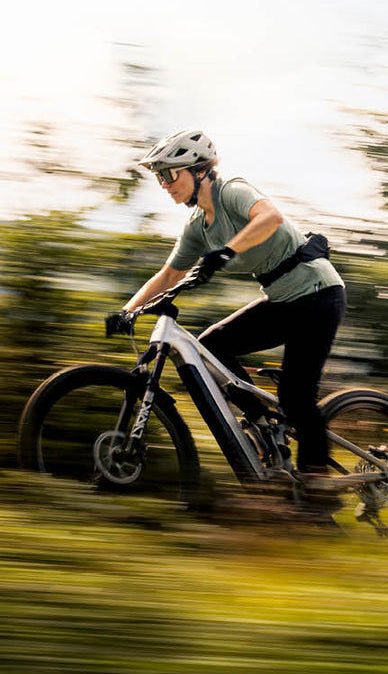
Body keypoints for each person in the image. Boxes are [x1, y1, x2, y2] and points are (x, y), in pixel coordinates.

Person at [114, 129, 346, 484]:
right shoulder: (197, 227)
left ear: (198, 170)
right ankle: (261, 420)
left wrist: (225, 251)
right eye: (159, 177)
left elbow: (270, 218)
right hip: (282, 300)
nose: (164, 183)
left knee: (296, 397)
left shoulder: (232, 191)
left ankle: (319, 492)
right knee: (210, 346)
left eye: (169, 174)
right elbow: (169, 273)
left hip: (318, 295)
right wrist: (127, 311)